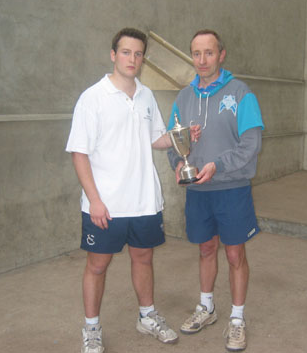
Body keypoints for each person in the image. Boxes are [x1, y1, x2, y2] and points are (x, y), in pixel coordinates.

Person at [66, 28, 199, 353]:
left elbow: (155, 139)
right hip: (105, 205)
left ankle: (147, 316)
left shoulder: (146, 96)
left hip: (144, 201)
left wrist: (182, 137)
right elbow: (79, 153)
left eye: (138, 54)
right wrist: (95, 200)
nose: (132, 59)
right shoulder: (92, 98)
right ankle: (92, 329)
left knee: (143, 259)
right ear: (114, 55)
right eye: (126, 52)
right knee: (97, 265)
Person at [167, 29, 264, 352]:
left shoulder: (241, 93)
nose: (202, 60)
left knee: (235, 253)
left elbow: (251, 144)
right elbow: (173, 142)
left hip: (232, 188)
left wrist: (218, 166)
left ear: (221, 54)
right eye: (196, 53)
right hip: (198, 190)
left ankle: (237, 318)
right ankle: (206, 307)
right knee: (206, 249)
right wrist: (178, 165)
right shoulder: (183, 97)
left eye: (209, 53)